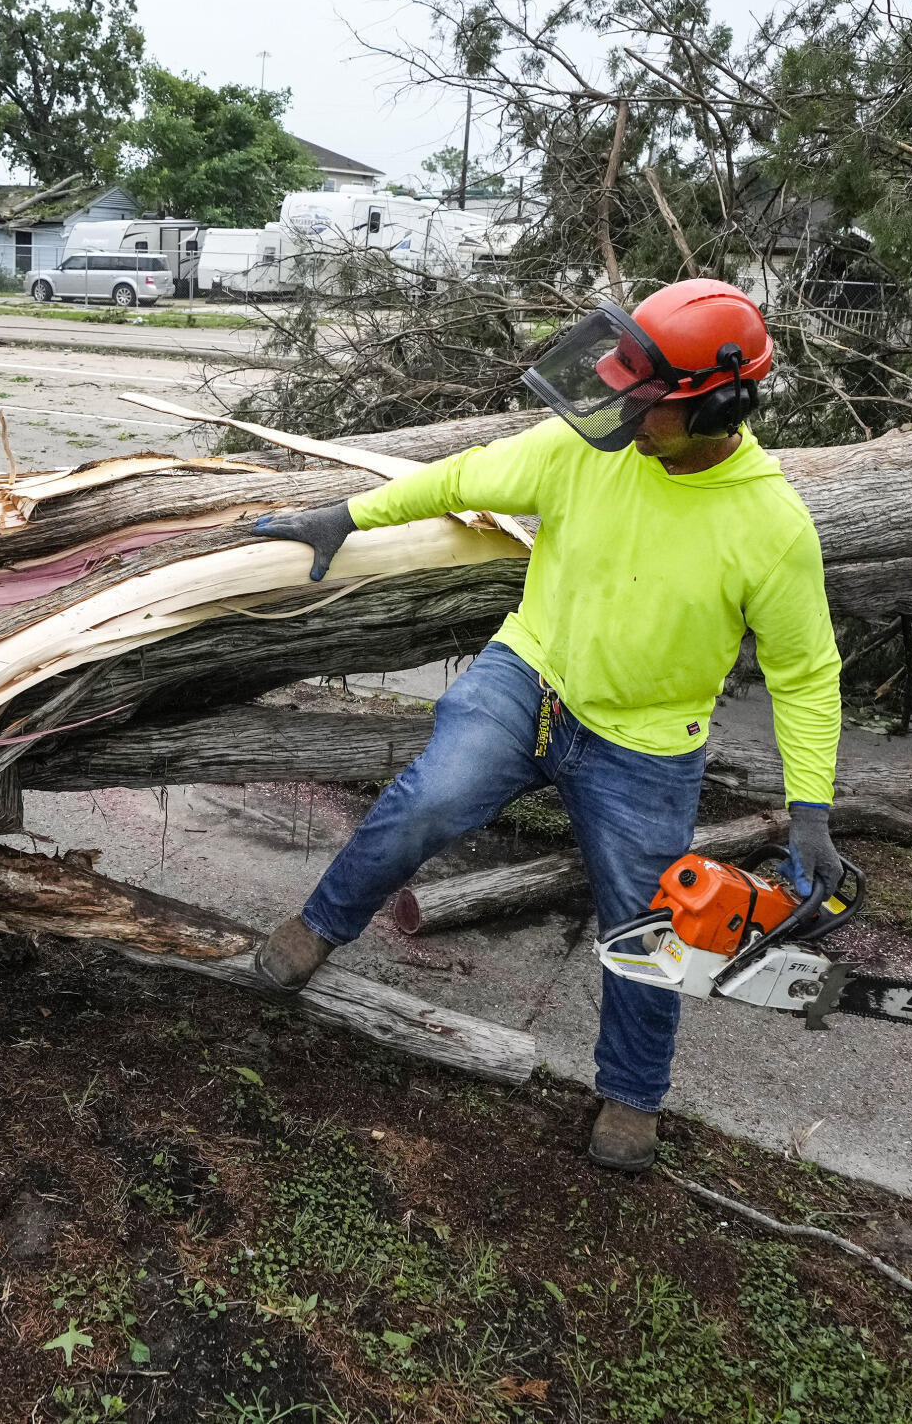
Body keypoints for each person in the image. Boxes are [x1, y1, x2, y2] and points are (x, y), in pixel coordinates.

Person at [248, 279, 842, 1173]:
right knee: (429, 800)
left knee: (647, 924)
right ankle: (320, 926)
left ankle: (633, 1095)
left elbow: (805, 674)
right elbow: (466, 473)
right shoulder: (588, 451)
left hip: (646, 740)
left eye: (649, 401)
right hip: (532, 674)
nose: (626, 411)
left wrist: (811, 809)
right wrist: (347, 515)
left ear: (718, 405)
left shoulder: (771, 525)